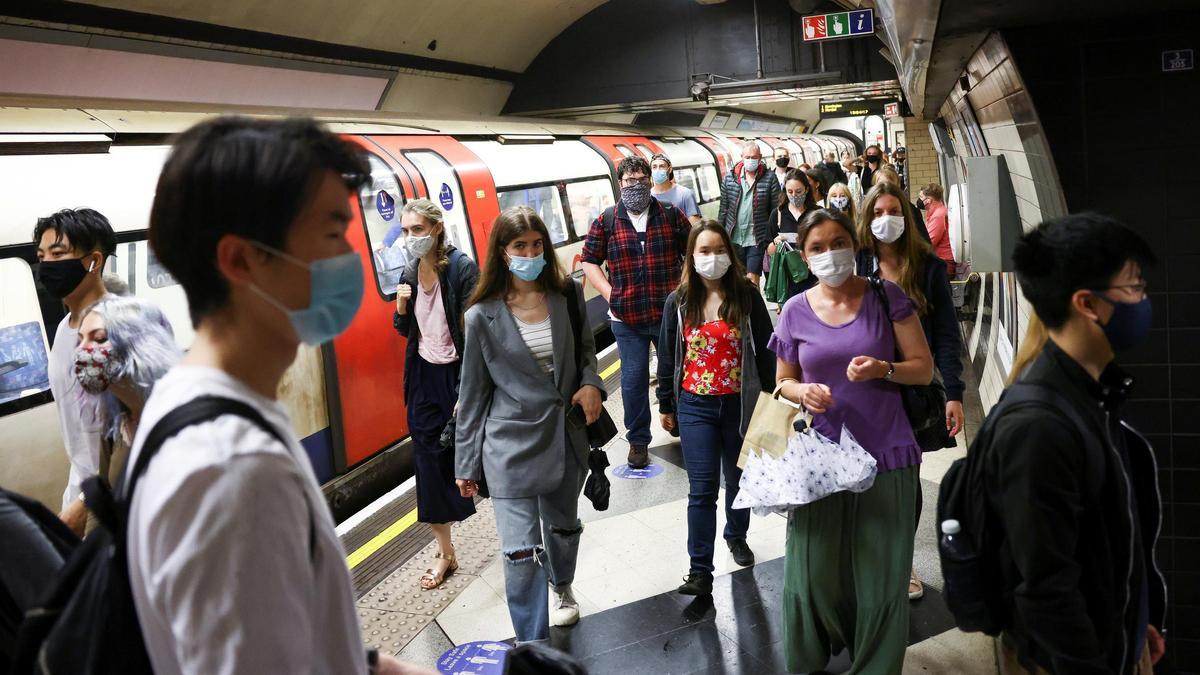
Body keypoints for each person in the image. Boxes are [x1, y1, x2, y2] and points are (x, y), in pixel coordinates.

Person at [127, 116, 412, 674]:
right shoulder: (233, 470)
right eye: (332, 234)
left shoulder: (199, 403)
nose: (349, 258)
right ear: (241, 260)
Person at [990, 213, 1165, 673]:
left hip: (1114, 635)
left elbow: (1105, 540)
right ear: (1087, 303)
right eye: (1133, 288)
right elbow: (1044, 587)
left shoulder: (1092, 395)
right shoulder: (1040, 426)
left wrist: (1134, 617)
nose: (1143, 300)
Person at [770, 208, 933, 673]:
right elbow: (782, 383)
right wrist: (803, 391)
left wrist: (884, 369)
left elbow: (922, 367)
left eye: (837, 242)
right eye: (817, 248)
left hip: (887, 455)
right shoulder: (795, 311)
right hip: (820, 460)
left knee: (882, 578)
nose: (829, 254)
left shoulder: (887, 297)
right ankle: (808, 661)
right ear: (803, 256)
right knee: (812, 575)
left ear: (854, 244)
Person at [455, 205, 605, 642]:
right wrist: (466, 464)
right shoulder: (481, 316)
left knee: (563, 529)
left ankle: (562, 586)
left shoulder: (566, 294)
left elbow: (586, 354)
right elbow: (473, 395)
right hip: (510, 445)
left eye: (537, 244)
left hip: (565, 434)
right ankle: (532, 643)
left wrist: (593, 384)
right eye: (521, 245)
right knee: (520, 551)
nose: (531, 252)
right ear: (503, 252)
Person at [854, 182, 966, 600]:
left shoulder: (929, 268)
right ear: (867, 220)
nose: (886, 219)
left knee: (905, 482)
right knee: (863, 477)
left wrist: (954, 392)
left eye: (893, 210)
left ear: (907, 215)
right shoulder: (856, 266)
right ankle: (867, 558)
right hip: (864, 391)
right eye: (878, 212)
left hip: (912, 391)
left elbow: (946, 335)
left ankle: (900, 564)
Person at [656, 221, 775, 595]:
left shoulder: (746, 295)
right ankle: (700, 569)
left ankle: (736, 535)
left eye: (719, 250)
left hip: (740, 404)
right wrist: (665, 402)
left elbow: (768, 349)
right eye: (704, 251)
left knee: (738, 480)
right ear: (691, 257)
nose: (712, 258)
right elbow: (668, 354)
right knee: (702, 488)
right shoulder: (678, 302)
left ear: (730, 253)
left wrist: (772, 397)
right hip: (695, 406)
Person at [391, 198, 479, 590]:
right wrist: (400, 308)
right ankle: (445, 553)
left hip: (460, 376)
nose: (411, 239)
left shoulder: (462, 270)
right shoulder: (410, 270)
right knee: (428, 463)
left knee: (476, 460)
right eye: (406, 231)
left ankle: (524, 530)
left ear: (437, 229)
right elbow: (406, 329)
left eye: (418, 230)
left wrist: (470, 388)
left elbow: (478, 334)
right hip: (425, 377)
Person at [581, 156, 690, 469]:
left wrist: (683, 288)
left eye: (642, 179)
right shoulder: (606, 220)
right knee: (632, 379)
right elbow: (589, 260)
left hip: (667, 313)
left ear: (650, 180)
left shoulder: (669, 214)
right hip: (626, 317)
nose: (637, 185)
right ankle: (639, 440)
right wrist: (609, 292)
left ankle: (678, 420)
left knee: (675, 372)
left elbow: (692, 249)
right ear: (620, 183)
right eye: (630, 181)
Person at [33, 208, 117, 536]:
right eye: (41, 255)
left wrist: (85, 502)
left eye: (58, 253)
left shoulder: (114, 328)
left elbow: (126, 428)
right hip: (82, 481)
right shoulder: (64, 329)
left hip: (110, 494)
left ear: (93, 261)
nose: (46, 265)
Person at [73, 295, 179, 534]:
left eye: (99, 338)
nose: (82, 351)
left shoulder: (180, 417)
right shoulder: (113, 420)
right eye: (80, 341)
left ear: (140, 346)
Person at [717, 141, 781, 285]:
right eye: (747, 157)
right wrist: (720, 234)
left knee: (752, 279)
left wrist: (774, 236)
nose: (750, 160)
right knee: (737, 279)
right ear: (742, 157)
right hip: (734, 238)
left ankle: (754, 306)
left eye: (754, 157)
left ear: (760, 158)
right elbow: (723, 209)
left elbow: (775, 209)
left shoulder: (770, 178)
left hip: (757, 238)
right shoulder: (729, 179)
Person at [766, 169, 819, 302]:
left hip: (814, 277)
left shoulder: (817, 213)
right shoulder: (777, 214)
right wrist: (776, 242)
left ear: (807, 189)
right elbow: (769, 250)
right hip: (788, 280)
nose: (794, 195)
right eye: (790, 192)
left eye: (798, 191)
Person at [873, 166, 930, 243]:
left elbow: (924, 241)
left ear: (897, 186)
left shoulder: (910, 210)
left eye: (889, 185)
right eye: (881, 185)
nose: (885, 188)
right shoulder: (870, 208)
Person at [650, 153, 703, 226]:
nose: (658, 170)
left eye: (662, 166)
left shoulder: (685, 194)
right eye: (654, 167)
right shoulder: (648, 196)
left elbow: (695, 228)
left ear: (670, 169)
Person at [918, 183, 954, 275]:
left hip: (943, 263)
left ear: (928, 200)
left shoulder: (938, 216)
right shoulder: (938, 212)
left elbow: (929, 242)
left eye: (921, 197)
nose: (919, 200)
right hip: (942, 261)